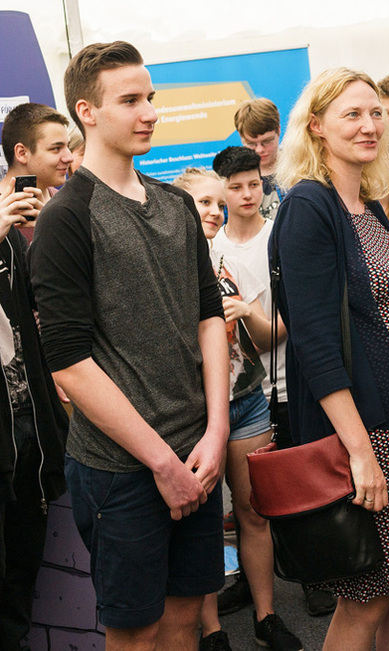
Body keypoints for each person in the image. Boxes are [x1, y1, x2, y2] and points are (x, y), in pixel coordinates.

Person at [29, 41, 229, 650]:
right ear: (87, 112)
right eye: (130, 101)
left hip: (197, 451)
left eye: (151, 99)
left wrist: (216, 430)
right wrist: (162, 464)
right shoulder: (67, 216)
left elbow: (209, 317)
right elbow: (68, 362)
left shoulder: (174, 203)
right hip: (121, 469)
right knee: (134, 633)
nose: (148, 113)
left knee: (185, 615)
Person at [271, 67, 389, 651]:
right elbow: (313, 343)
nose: (369, 125)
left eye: (375, 113)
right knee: (368, 598)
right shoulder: (309, 205)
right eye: (351, 114)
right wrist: (360, 454)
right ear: (317, 127)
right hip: (373, 432)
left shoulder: (369, 205)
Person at [173, 167, 302, 651]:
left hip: (246, 400)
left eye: (213, 202)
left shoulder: (220, 260)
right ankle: (212, 631)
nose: (210, 210)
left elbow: (256, 338)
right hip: (194, 414)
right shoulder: (165, 264)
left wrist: (245, 313)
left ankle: (267, 617)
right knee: (202, 525)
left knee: (254, 513)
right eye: (198, 203)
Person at [0, 104, 71, 650]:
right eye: (56, 148)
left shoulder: (40, 218)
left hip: (32, 425)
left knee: (23, 564)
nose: (68, 158)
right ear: (21, 155)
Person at [0, 103, 74, 203]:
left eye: (68, 146)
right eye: (56, 148)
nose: (69, 158)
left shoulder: (67, 206)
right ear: (22, 153)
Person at [234, 98, 283, 220]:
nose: (260, 150)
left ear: (279, 130)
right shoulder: (231, 178)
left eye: (267, 141)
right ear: (241, 137)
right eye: (251, 144)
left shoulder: (299, 168)